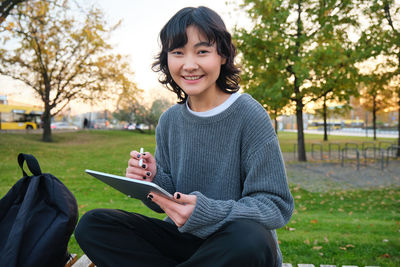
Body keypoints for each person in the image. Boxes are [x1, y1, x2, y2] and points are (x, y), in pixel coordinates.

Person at [75, 6, 294, 267]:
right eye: (178, 53)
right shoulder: (169, 120)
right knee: (94, 225)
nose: (189, 65)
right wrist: (153, 179)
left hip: (232, 244)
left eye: (202, 51)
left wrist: (205, 212)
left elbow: (275, 206)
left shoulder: (249, 114)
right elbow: (166, 204)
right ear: (167, 59)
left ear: (222, 55)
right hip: (181, 241)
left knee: (251, 239)